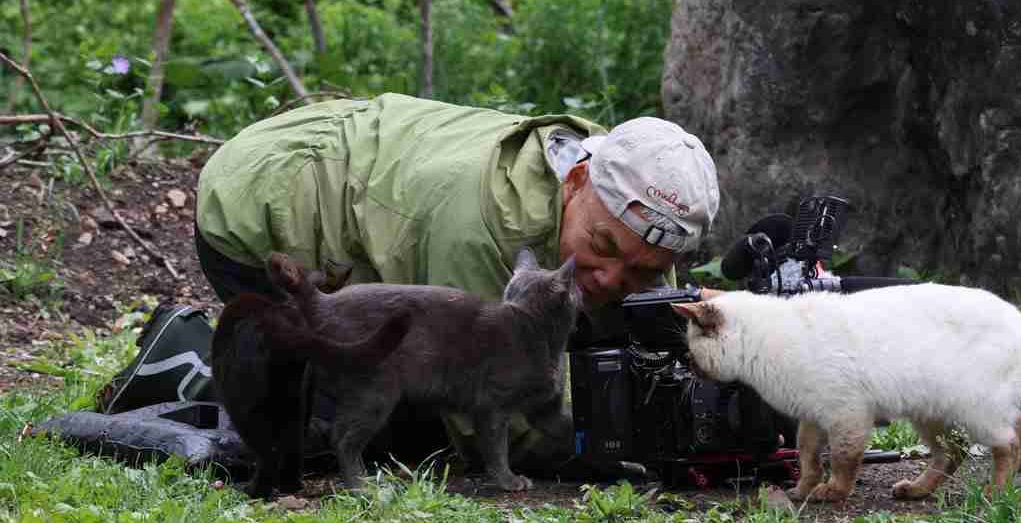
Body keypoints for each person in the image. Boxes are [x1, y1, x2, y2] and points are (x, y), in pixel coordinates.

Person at [193, 92, 721, 472]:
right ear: (577, 181)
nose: (612, 278)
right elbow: (498, 422)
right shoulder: (482, 234)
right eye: (603, 247)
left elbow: (645, 333)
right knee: (403, 426)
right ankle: (208, 361)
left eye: (643, 269)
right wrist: (611, 451)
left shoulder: (620, 192)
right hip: (262, 195)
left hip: (375, 152)